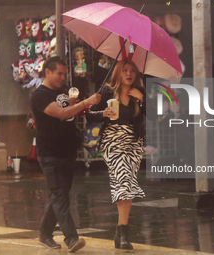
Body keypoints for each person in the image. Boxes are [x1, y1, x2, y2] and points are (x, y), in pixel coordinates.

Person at [30, 56, 101, 252]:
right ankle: (71, 238)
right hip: (50, 153)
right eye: (59, 73)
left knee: (59, 195)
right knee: (60, 195)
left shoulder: (63, 90)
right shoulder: (39, 95)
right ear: (48, 72)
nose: (63, 77)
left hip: (68, 151)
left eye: (64, 73)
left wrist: (79, 106)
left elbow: (72, 113)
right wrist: (85, 101)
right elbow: (61, 114)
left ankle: (45, 233)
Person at [86, 58, 157, 250]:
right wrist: (104, 113)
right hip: (113, 142)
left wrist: (142, 99)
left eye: (132, 71)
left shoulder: (138, 93)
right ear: (118, 72)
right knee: (124, 181)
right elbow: (89, 114)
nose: (128, 74)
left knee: (126, 184)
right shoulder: (108, 91)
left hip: (133, 144)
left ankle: (121, 232)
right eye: (125, 70)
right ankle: (123, 233)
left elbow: (154, 116)